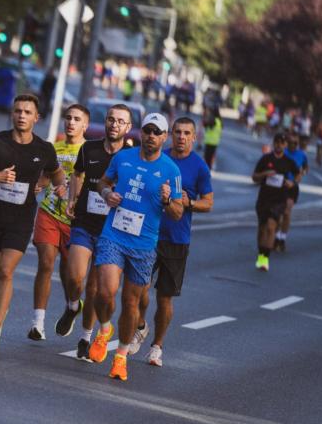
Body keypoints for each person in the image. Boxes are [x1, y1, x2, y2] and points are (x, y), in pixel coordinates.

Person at [88, 112, 184, 382]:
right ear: (141, 132)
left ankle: (119, 357)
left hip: (144, 245)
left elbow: (177, 213)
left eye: (157, 132)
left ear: (164, 137)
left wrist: (167, 200)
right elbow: (103, 182)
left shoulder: (171, 171)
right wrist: (107, 194)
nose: (151, 136)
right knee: (105, 290)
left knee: (131, 302)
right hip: (113, 235)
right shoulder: (123, 158)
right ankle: (105, 328)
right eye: (148, 130)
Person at [0, 94, 64, 355]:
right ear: (13, 113)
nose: (22, 115)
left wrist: (51, 186)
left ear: (36, 117)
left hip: (20, 219)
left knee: (6, 272)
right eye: (18, 111)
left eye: (27, 112)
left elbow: (56, 173)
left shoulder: (44, 148)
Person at [133, 117, 213, 367]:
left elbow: (208, 203)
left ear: (194, 137)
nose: (181, 136)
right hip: (149, 233)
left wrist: (188, 203)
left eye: (186, 133)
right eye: (177, 132)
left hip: (177, 239)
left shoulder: (199, 167)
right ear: (170, 135)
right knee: (138, 289)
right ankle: (140, 325)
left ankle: (157, 346)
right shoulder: (160, 158)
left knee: (165, 298)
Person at [59, 104, 130, 361]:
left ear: (128, 128)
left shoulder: (131, 156)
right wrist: (72, 198)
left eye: (121, 122)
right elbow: (77, 173)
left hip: (112, 230)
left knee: (96, 289)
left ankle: (86, 336)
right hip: (84, 222)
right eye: (111, 120)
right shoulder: (88, 148)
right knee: (74, 276)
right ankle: (71, 306)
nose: (114, 125)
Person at [28, 104, 88, 341]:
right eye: (68, 118)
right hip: (49, 213)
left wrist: (75, 192)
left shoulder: (89, 151)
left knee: (71, 274)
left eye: (77, 119)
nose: (71, 122)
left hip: (76, 221)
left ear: (85, 125)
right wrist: (39, 184)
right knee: (45, 262)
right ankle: (38, 323)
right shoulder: (53, 148)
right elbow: (46, 176)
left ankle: (73, 305)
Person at [252, 133, 299, 271]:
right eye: (277, 142)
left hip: (279, 199)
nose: (279, 144)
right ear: (274, 143)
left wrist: (292, 182)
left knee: (271, 226)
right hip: (264, 198)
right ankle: (260, 255)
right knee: (262, 229)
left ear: (285, 145)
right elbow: (254, 177)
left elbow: (298, 173)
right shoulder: (266, 159)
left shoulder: (288, 161)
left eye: (282, 142)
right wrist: (264, 174)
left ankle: (265, 259)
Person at [275, 132, 308, 252]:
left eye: (296, 143)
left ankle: (282, 239)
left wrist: (301, 174)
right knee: (278, 214)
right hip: (279, 185)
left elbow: (305, 167)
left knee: (287, 212)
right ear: (286, 142)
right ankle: (276, 236)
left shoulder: (301, 154)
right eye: (291, 142)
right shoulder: (283, 152)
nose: (293, 145)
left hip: (292, 186)